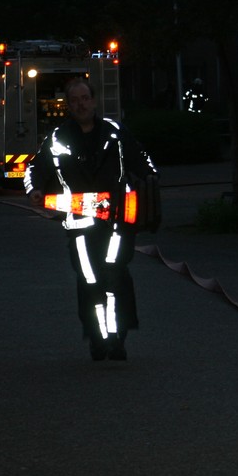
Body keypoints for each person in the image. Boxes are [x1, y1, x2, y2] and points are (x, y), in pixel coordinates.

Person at [25, 79, 157, 362]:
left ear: (94, 101)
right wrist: (34, 189)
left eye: (85, 98)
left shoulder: (115, 133)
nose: (81, 104)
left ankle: (116, 338)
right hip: (80, 223)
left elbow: (141, 159)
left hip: (117, 222)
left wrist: (150, 179)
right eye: (75, 100)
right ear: (68, 105)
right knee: (89, 279)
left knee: (114, 274)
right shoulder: (58, 138)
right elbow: (35, 167)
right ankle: (98, 338)